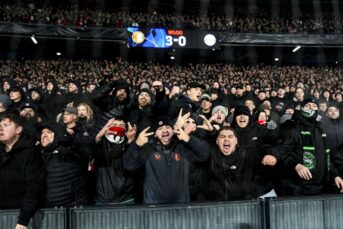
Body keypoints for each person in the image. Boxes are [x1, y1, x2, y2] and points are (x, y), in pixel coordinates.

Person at [124, 115, 209, 204]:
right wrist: (136, 145)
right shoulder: (147, 150)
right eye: (160, 129)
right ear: (155, 134)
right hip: (154, 208)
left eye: (168, 127)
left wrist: (189, 139)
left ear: (173, 131)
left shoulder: (182, 148)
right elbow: (129, 166)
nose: (164, 130)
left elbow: (204, 154)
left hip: (181, 207)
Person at [276, 97, 343, 196]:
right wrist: (296, 165)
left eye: (314, 106)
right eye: (308, 106)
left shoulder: (321, 129)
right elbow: (282, 152)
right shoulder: (293, 128)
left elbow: (326, 157)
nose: (312, 108)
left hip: (321, 186)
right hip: (299, 187)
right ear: (301, 108)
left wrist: (335, 175)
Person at [0, 114, 46, 229]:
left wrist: (23, 220)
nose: (0, 128)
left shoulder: (30, 153)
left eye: (5, 125)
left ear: (18, 130)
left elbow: (34, 188)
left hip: (21, 218)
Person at [40, 122, 88, 207]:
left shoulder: (68, 151)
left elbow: (85, 147)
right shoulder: (39, 155)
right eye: (42, 133)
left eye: (49, 132)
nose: (44, 135)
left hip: (73, 207)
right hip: (50, 207)